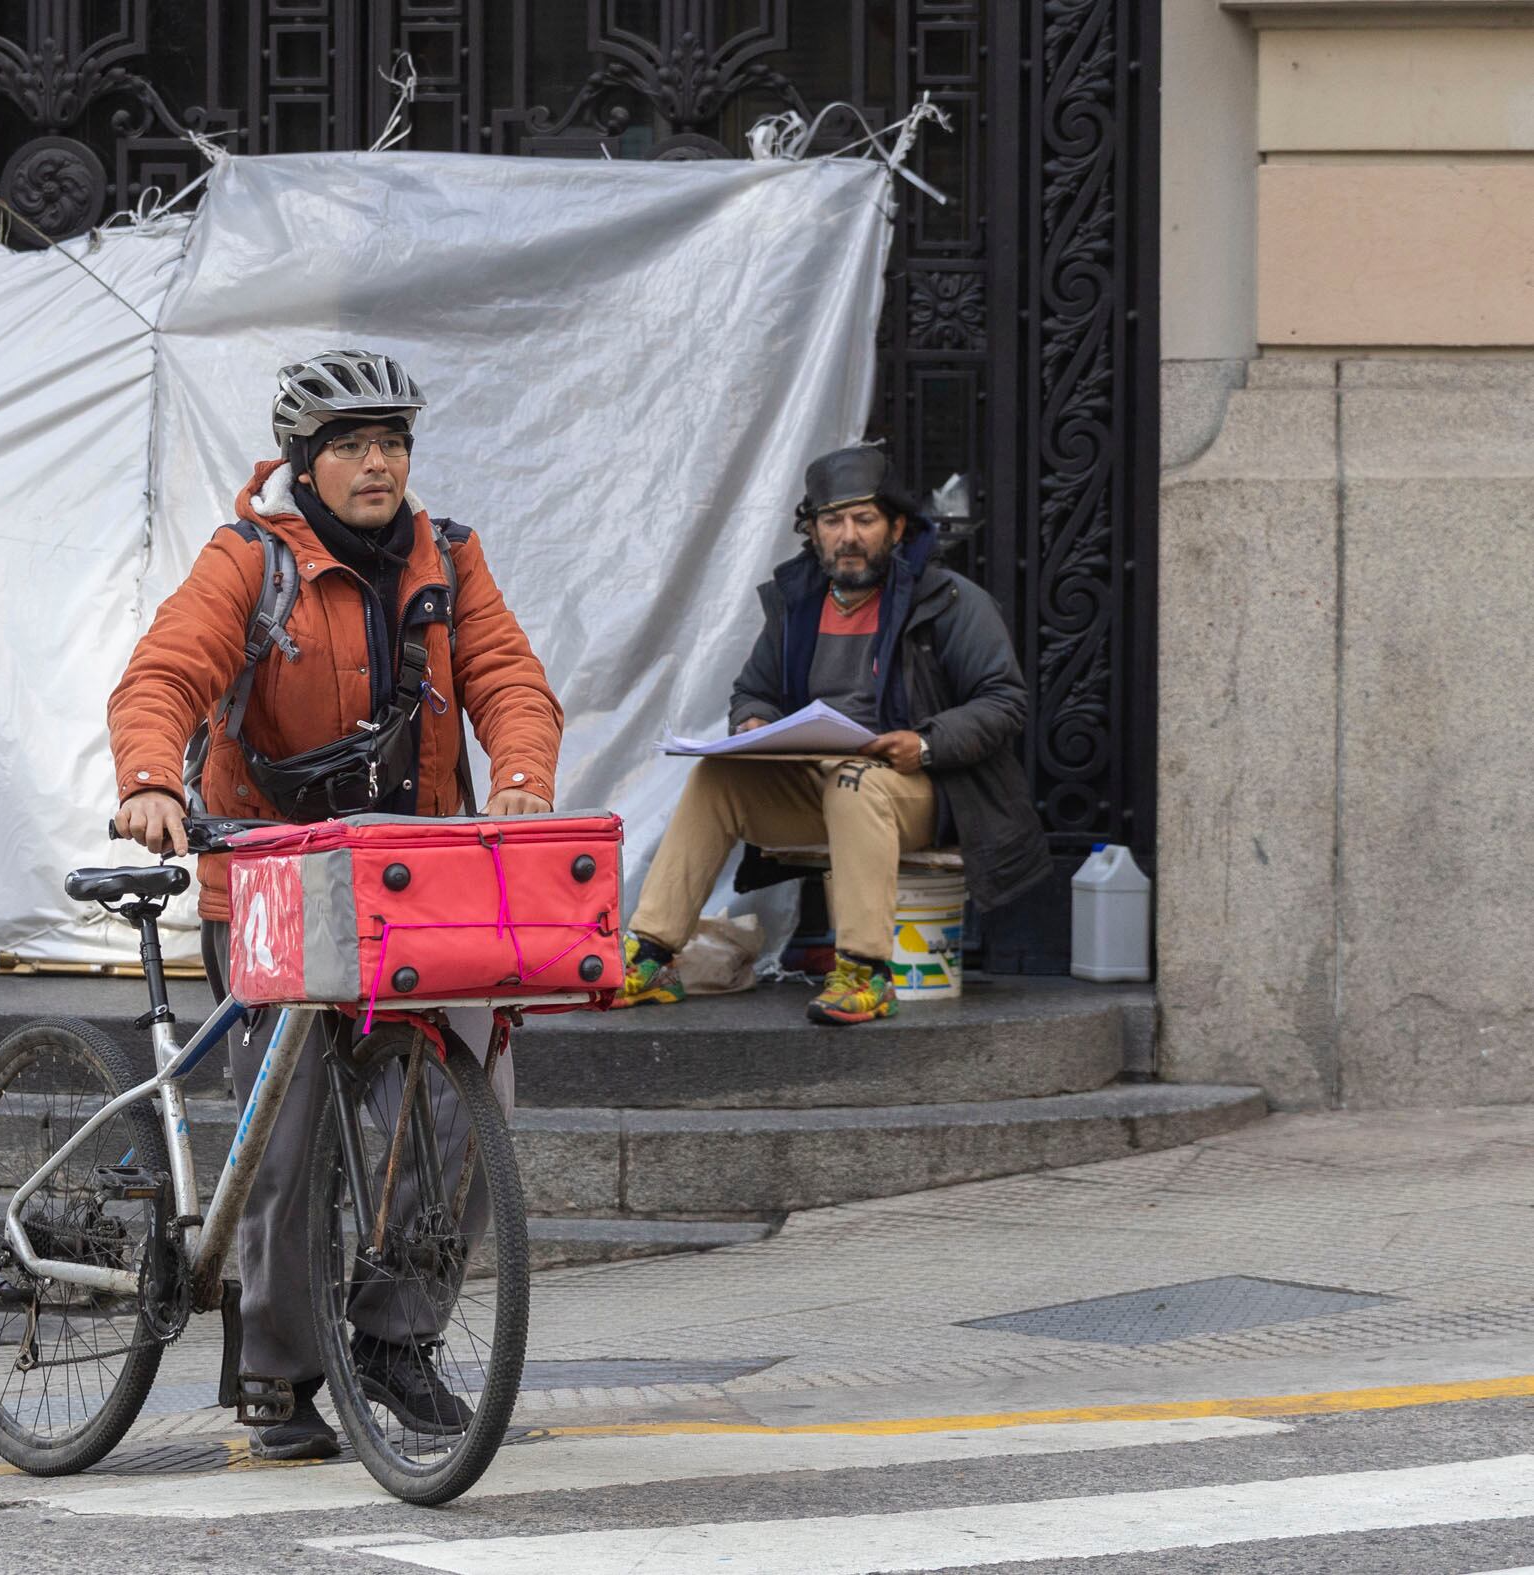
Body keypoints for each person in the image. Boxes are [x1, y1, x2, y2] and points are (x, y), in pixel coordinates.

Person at [106, 349, 563, 1460]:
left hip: (416, 876)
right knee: (294, 1112)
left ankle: (398, 1334)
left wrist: (519, 776)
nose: (377, 465)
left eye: (392, 444)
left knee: (470, 1081)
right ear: (305, 465)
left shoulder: (449, 558)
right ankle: (277, 1368)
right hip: (272, 880)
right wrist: (152, 780)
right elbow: (161, 675)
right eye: (352, 447)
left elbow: (510, 680)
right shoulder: (248, 561)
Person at [615, 444, 1051, 1024]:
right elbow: (754, 690)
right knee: (717, 776)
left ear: (896, 527)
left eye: (864, 519)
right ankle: (649, 956)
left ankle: (866, 973)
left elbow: (1004, 701)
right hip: (824, 788)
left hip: (925, 789)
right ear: (813, 531)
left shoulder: (948, 602)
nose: (848, 535)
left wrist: (923, 742)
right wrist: (754, 723)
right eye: (832, 520)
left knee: (857, 782)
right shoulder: (797, 603)